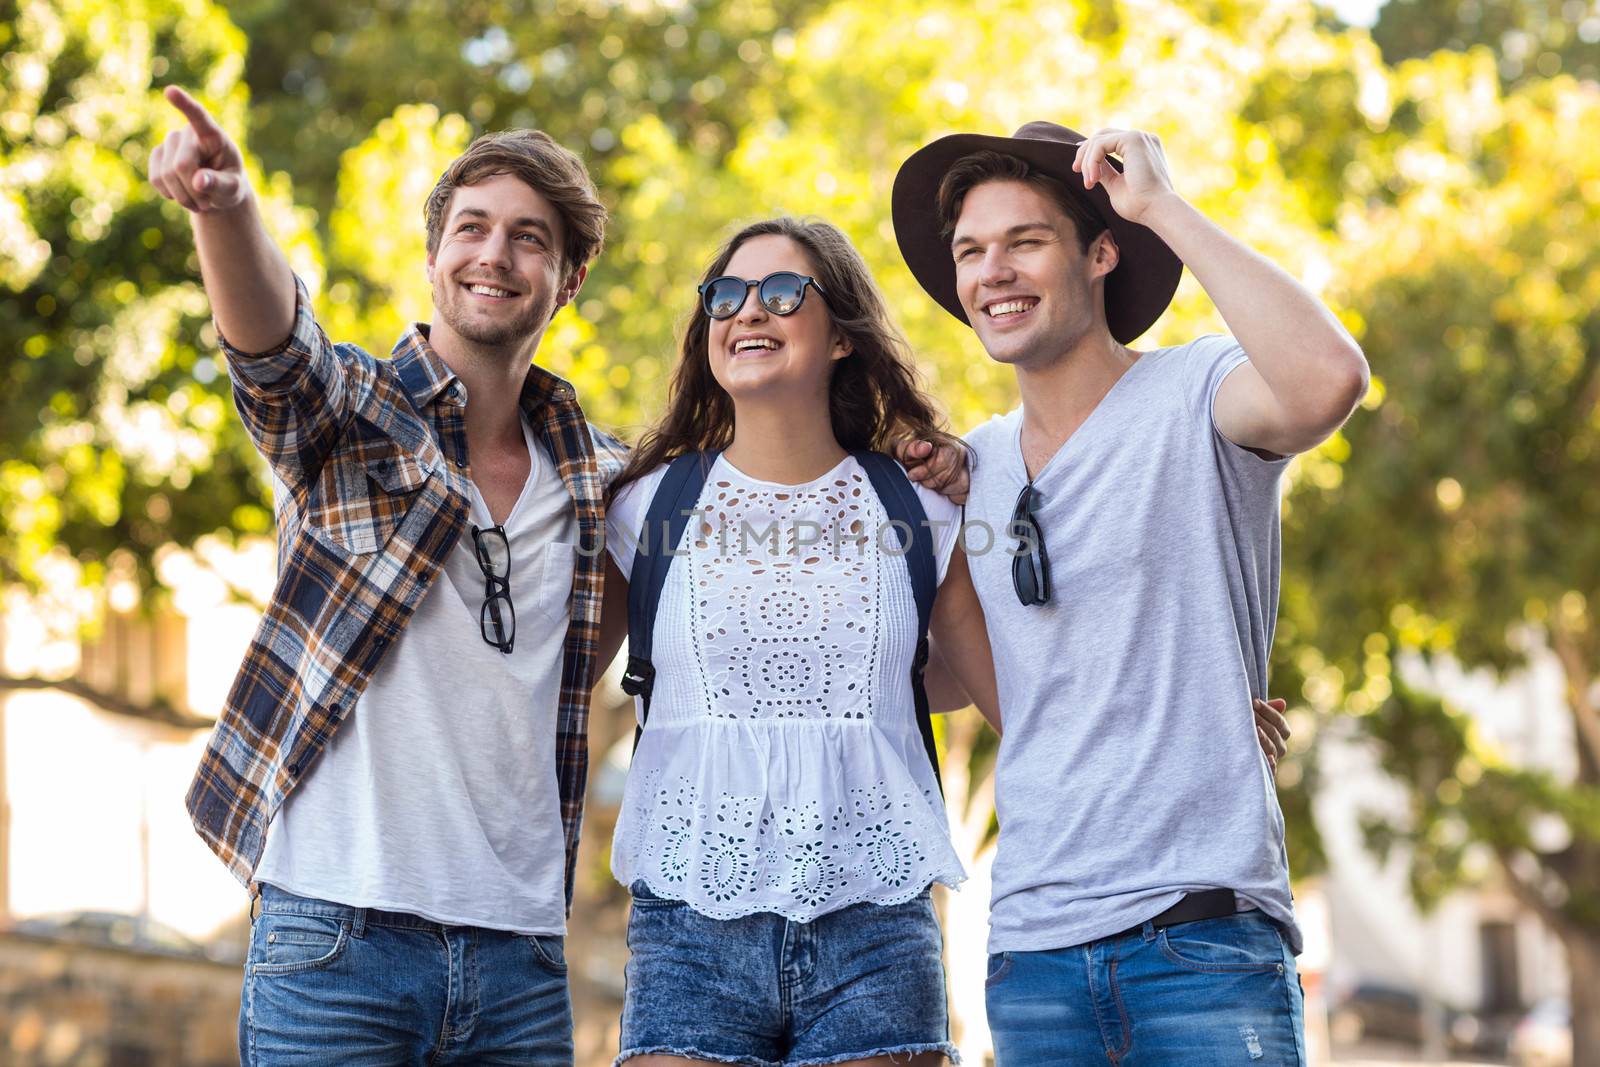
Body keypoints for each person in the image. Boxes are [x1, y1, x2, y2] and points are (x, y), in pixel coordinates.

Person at [152, 85, 622, 1064]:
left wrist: (931, 465)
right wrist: (228, 207)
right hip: (337, 940)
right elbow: (278, 352)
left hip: (521, 960)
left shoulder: (603, 477)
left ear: (568, 278)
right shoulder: (353, 420)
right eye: (472, 227)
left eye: (530, 237)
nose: (494, 254)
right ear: (433, 255)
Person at [892, 122, 1369, 1064]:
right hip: (1031, 955)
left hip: (1199, 940)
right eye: (971, 252)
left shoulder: (1197, 394)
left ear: (1102, 251)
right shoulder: (972, 466)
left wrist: (1159, 204)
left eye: (1025, 241)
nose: (994, 272)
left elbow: (1327, 381)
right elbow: (962, 683)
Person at [600, 216, 1001, 1067]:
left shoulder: (923, 508)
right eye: (727, 295)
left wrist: (1203, 719)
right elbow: (540, 679)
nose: (750, 312)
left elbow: (1013, 696)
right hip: (688, 925)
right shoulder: (644, 509)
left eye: (783, 293)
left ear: (843, 338)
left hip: (878, 928)